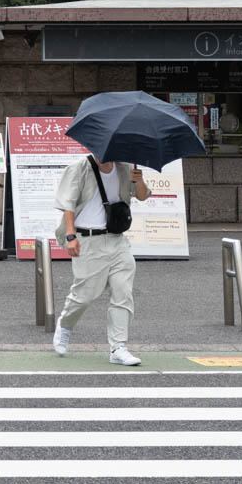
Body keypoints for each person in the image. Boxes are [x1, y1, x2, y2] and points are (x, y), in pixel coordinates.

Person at [51, 153, 151, 365]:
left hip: (116, 240)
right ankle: (65, 325)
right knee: (84, 295)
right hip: (87, 239)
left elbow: (142, 196)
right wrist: (70, 236)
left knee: (123, 292)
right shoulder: (79, 168)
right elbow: (68, 205)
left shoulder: (124, 167)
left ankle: (118, 347)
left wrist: (139, 180)